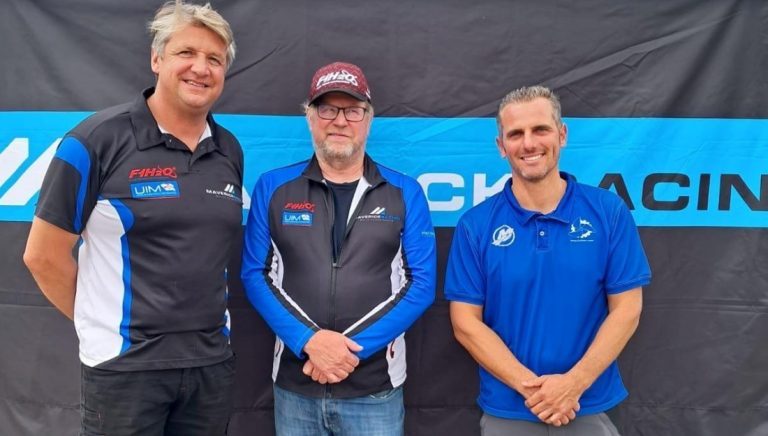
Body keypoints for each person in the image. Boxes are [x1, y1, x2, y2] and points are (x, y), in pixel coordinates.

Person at [23, 2, 241, 434]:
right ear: (156, 59)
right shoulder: (95, 140)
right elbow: (42, 256)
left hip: (210, 366)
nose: (201, 68)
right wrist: (103, 329)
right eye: (186, 52)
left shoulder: (228, 149)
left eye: (214, 59)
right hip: (125, 370)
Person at [241, 61, 436, 436]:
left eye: (353, 110)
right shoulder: (273, 187)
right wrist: (309, 342)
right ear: (310, 117)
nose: (340, 121)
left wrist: (342, 353)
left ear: (369, 119)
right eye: (327, 109)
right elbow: (255, 275)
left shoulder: (405, 192)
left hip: (374, 389)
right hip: (296, 386)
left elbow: (422, 285)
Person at [445, 85, 651, 435]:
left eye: (540, 129)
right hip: (509, 410)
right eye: (516, 134)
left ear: (562, 134)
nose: (529, 143)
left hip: (589, 404)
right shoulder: (475, 225)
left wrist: (573, 384)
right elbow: (465, 322)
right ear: (501, 146)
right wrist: (534, 390)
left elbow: (627, 309)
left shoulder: (608, 212)